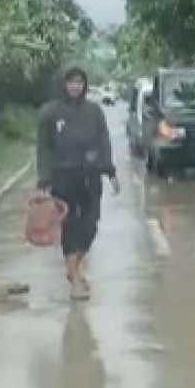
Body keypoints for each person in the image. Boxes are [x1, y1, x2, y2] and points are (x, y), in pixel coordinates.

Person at [36, 65, 120, 301]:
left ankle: (74, 266)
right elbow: (43, 148)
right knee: (70, 227)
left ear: (85, 85)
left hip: (90, 177)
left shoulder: (94, 111)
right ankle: (75, 279)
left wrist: (110, 172)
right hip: (62, 178)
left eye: (79, 82)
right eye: (71, 82)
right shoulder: (50, 113)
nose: (75, 86)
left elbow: (104, 141)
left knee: (90, 225)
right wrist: (44, 179)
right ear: (63, 84)